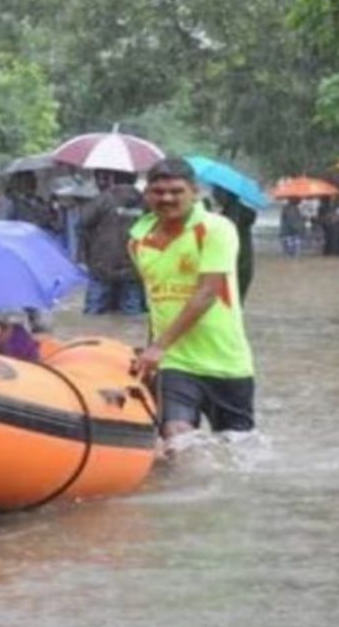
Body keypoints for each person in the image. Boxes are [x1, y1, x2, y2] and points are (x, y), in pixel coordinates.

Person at [128, 158, 256, 455]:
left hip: (226, 359)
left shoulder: (216, 229)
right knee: (178, 441)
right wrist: (151, 354)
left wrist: (158, 345)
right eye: (158, 192)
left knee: (239, 450)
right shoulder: (138, 240)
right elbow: (155, 302)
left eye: (176, 191)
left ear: (194, 192)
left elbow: (207, 293)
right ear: (147, 195)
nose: (167, 198)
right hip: (175, 362)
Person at [80, 169, 146, 315]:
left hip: (103, 263)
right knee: (132, 312)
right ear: (135, 179)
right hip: (134, 263)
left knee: (93, 311)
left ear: (113, 178)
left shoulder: (103, 199)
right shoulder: (145, 202)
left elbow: (84, 221)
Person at [211, 186, 256, 303]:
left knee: (230, 302)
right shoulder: (239, 211)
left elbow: (224, 234)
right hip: (244, 263)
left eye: (216, 192)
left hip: (235, 263)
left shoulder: (231, 214)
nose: (214, 195)